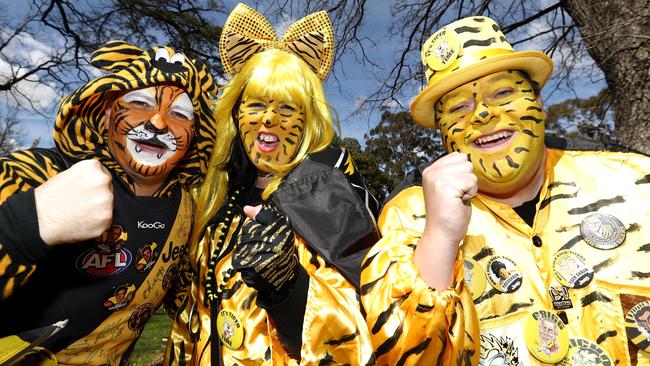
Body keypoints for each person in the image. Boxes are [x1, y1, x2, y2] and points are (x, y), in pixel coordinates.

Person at [361, 15, 650, 365]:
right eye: (459, 108)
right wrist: (439, 238)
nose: (482, 113)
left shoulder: (634, 180)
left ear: (539, 104)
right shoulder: (409, 216)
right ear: (442, 133)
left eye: (502, 92)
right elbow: (406, 352)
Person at [163, 3, 379, 365]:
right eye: (257, 105)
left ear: (308, 118)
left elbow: (362, 332)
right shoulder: (214, 195)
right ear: (235, 111)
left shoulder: (329, 195)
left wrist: (287, 287)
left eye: (287, 108)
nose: (268, 119)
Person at [0, 40, 219, 364]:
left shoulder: (186, 211)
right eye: (140, 102)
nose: (159, 123)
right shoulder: (37, 174)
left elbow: (188, 304)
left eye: (178, 113)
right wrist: (26, 223)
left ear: (194, 136)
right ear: (106, 113)